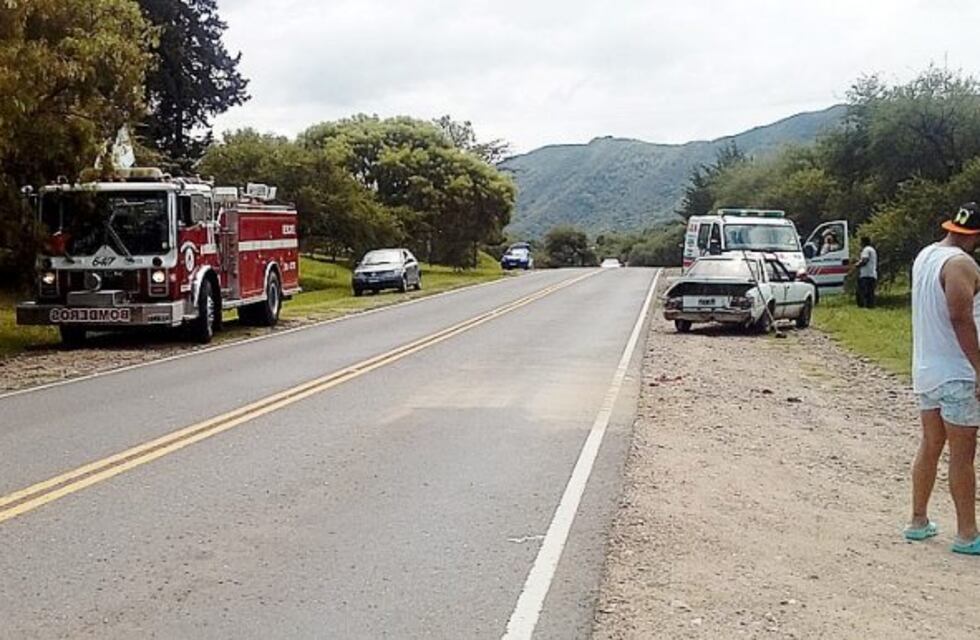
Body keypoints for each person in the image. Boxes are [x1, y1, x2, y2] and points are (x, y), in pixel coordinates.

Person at [907, 202, 980, 554]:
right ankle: (967, 534)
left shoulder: (927, 255)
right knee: (962, 456)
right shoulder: (961, 264)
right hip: (957, 373)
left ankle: (918, 520)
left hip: (926, 369)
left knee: (930, 444)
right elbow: (960, 317)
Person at [856, 236, 878, 308]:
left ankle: (863, 306)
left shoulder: (866, 250)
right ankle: (870, 306)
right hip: (872, 274)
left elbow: (865, 260)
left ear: (863, 242)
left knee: (863, 292)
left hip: (866, 275)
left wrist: (857, 265)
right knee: (870, 293)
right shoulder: (872, 250)